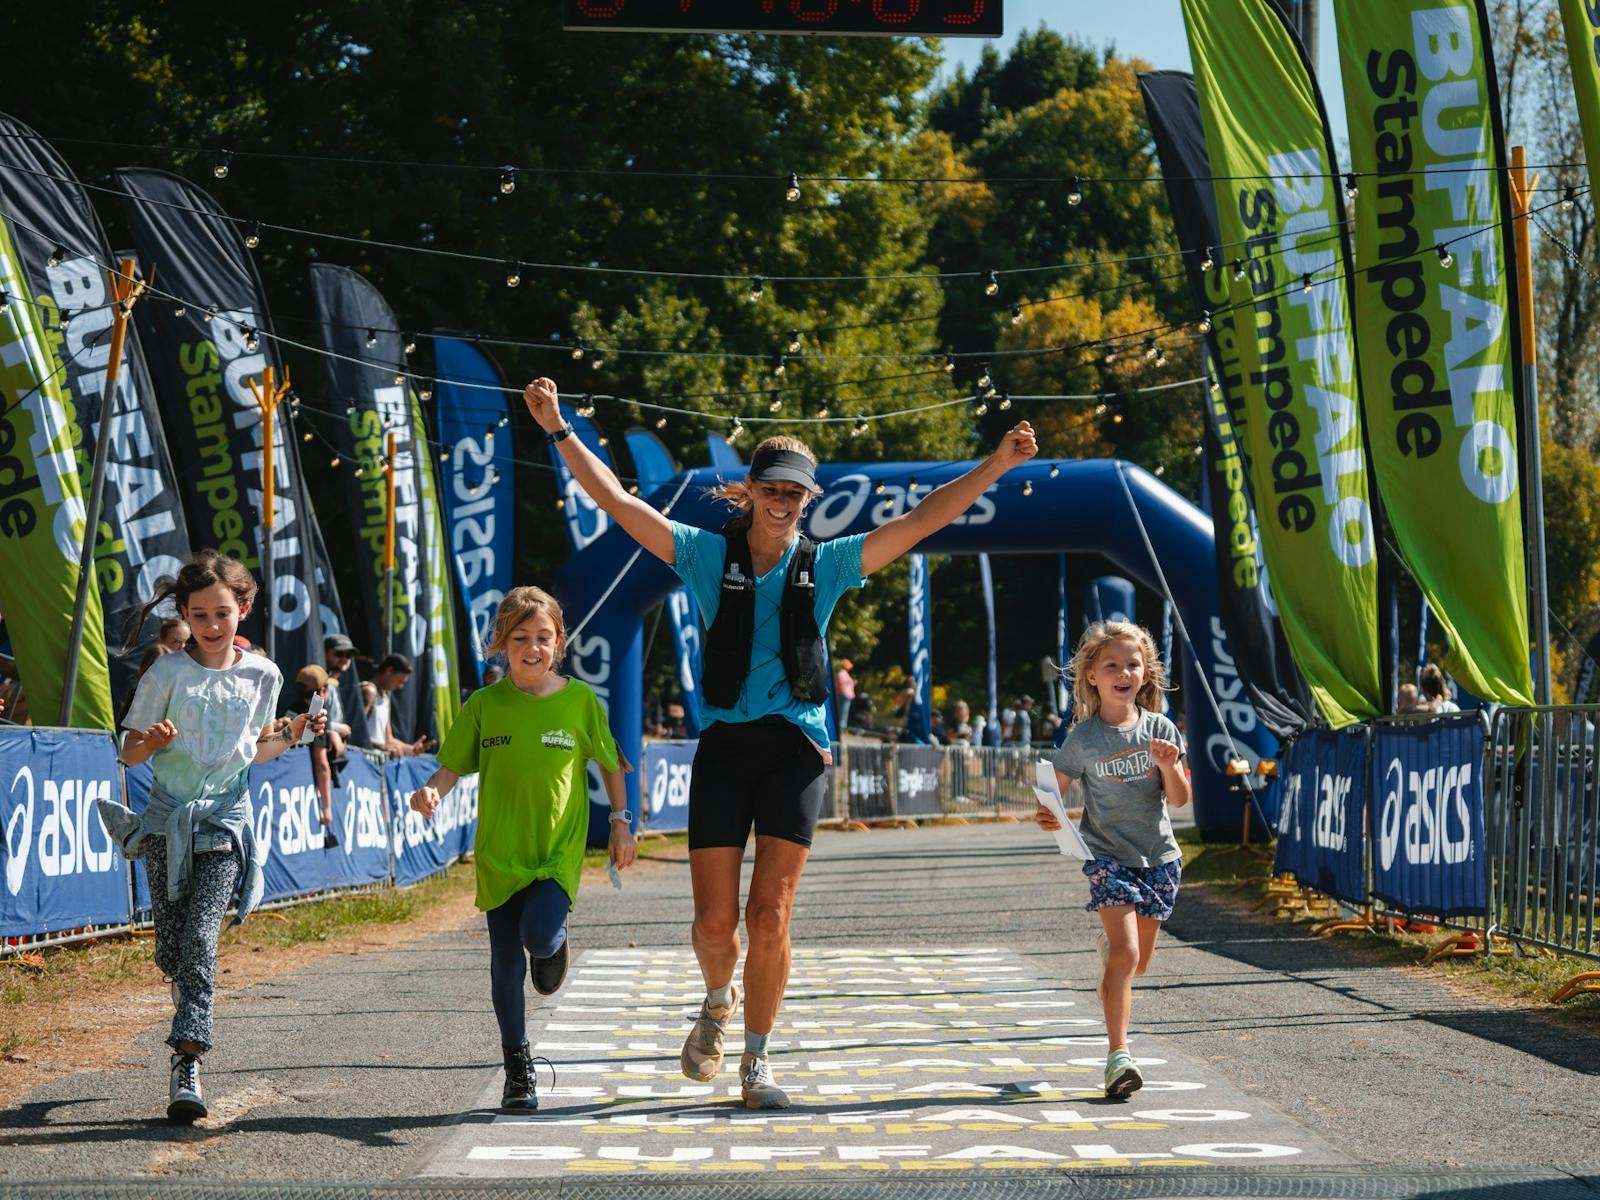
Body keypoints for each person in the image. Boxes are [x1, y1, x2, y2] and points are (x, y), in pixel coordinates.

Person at [525, 373, 1036, 1109]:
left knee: (769, 916)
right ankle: (714, 1001)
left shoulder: (825, 564)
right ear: (751, 490)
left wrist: (997, 465)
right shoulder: (705, 556)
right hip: (727, 747)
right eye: (773, 489)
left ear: (807, 501)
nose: (784, 501)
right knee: (712, 924)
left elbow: (921, 522)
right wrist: (558, 425)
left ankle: (757, 1062)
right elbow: (619, 502)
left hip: (796, 748)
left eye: (797, 493)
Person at [101, 550, 324, 1123]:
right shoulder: (167, 672)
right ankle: (142, 844)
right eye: (199, 615)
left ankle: (188, 1059)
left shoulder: (264, 675)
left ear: (243, 610)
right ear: (185, 616)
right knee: (171, 948)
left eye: (221, 613)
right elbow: (127, 753)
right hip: (167, 818)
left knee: (201, 939)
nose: (211, 625)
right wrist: (149, 742)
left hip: (225, 821)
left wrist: (294, 733)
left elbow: (254, 751)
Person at [407, 586, 635, 1112]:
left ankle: (554, 944)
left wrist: (621, 822)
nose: (532, 648)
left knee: (537, 934)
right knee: (504, 961)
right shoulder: (484, 705)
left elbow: (610, 760)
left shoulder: (580, 700)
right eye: (520, 639)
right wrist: (431, 792)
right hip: (499, 851)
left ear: (558, 644)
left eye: (543, 638)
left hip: (556, 849)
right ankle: (518, 1068)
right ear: (501, 644)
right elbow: (452, 767)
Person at [1035, 619, 1189, 1101]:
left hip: (1159, 858)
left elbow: (1180, 800)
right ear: (1092, 677)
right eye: (1112, 665)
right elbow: (1051, 795)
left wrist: (1167, 765)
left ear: (1146, 673)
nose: (1124, 672)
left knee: (1135, 964)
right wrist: (1048, 816)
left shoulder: (1160, 729)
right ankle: (1118, 1057)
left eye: (1133, 664)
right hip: (1107, 858)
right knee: (1126, 957)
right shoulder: (1083, 739)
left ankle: (1110, 953)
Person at [286, 664, 344, 835]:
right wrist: (327, 808)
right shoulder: (315, 719)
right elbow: (322, 765)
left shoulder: (288, 711)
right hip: (302, 796)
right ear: (321, 692)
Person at [368, 653, 429, 756]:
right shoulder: (368, 691)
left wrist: (412, 749)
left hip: (376, 764)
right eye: (399, 681)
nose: (400, 686)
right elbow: (356, 732)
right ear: (389, 671)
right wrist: (380, 747)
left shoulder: (386, 699)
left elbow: (388, 740)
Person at [833, 658, 856, 731]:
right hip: (844, 695)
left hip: (845, 695)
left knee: (843, 712)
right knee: (843, 712)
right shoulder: (842, 673)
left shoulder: (843, 673)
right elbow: (841, 684)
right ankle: (841, 727)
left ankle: (842, 727)